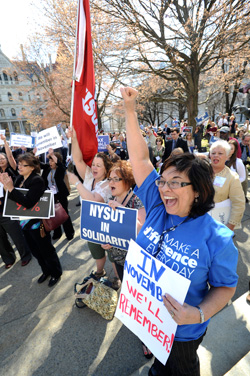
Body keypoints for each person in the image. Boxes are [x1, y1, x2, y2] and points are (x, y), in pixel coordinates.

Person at [120, 87, 238, 376]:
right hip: (148, 321)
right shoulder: (158, 206)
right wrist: (130, 109)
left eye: (175, 183)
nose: (164, 189)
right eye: (162, 181)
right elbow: (140, 160)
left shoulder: (218, 239)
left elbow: (226, 287)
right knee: (161, 368)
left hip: (182, 334)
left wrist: (197, 314)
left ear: (197, 191)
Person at [0, 153, 62, 287]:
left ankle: (56, 272)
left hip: (37, 223)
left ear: (32, 167)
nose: (19, 167)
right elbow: (12, 199)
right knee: (35, 250)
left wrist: (10, 189)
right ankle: (45, 271)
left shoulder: (37, 180)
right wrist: (6, 187)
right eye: (19, 164)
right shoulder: (19, 179)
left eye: (23, 165)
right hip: (24, 223)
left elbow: (28, 203)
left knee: (46, 249)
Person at [67, 127, 118, 280]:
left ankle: (117, 277)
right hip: (90, 222)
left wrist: (77, 183)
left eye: (98, 165)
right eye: (93, 164)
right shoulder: (89, 176)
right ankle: (100, 271)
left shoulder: (107, 184)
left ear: (106, 168)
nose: (94, 167)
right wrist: (74, 138)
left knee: (112, 255)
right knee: (96, 251)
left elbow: (93, 199)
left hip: (106, 225)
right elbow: (78, 160)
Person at [0, 136, 32, 268]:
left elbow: (11, 158)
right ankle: (8, 259)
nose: (1, 161)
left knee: (16, 233)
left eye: (2, 158)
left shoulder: (12, 169)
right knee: (1, 238)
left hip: (9, 206)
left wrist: (5, 142)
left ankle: (25, 255)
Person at [40, 148, 74, 241]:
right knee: (53, 214)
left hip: (60, 194)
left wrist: (53, 155)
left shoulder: (60, 169)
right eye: (49, 160)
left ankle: (69, 232)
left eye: (52, 160)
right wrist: (34, 154)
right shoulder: (47, 168)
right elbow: (38, 164)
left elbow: (61, 165)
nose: (50, 162)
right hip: (50, 195)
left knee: (64, 214)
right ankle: (57, 232)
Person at [210, 140, 245, 230]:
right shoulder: (200, 171)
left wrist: (230, 226)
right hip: (198, 221)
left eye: (220, 153)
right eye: (213, 153)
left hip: (219, 223)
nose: (216, 155)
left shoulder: (232, 177)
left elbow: (238, 203)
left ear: (227, 156)